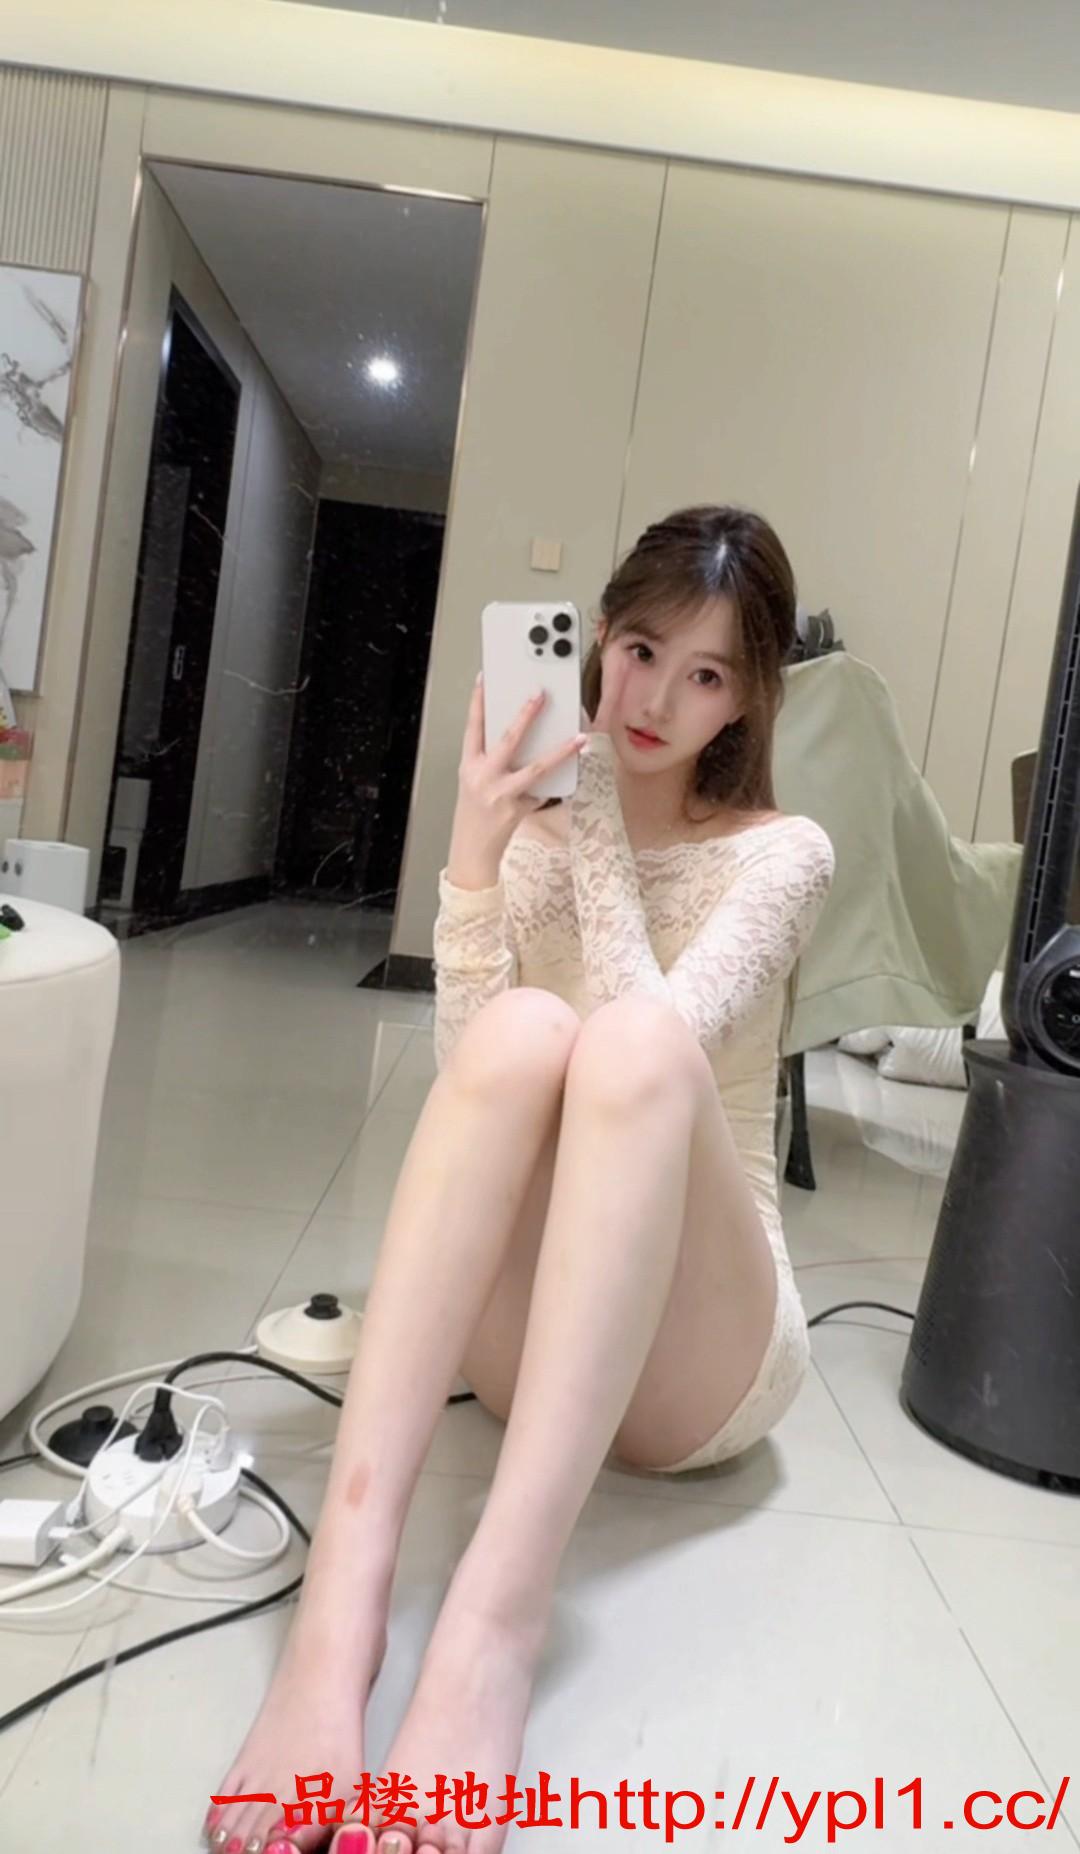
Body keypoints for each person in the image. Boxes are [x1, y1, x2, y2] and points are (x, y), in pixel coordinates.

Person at [204, 505, 836, 1854]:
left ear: (745, 700)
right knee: (520, 1035)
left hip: (703, 1359)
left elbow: (652, 1041)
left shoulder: (783, 854)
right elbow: (471, 1082)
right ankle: (338, 1611)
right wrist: (477, 847)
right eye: (641, 650)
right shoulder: (538, 824)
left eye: (706, 674)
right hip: (534, 1338)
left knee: (627, 1048)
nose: (654, 701)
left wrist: (593, 810)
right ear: (597, 636)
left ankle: (493, 1623)